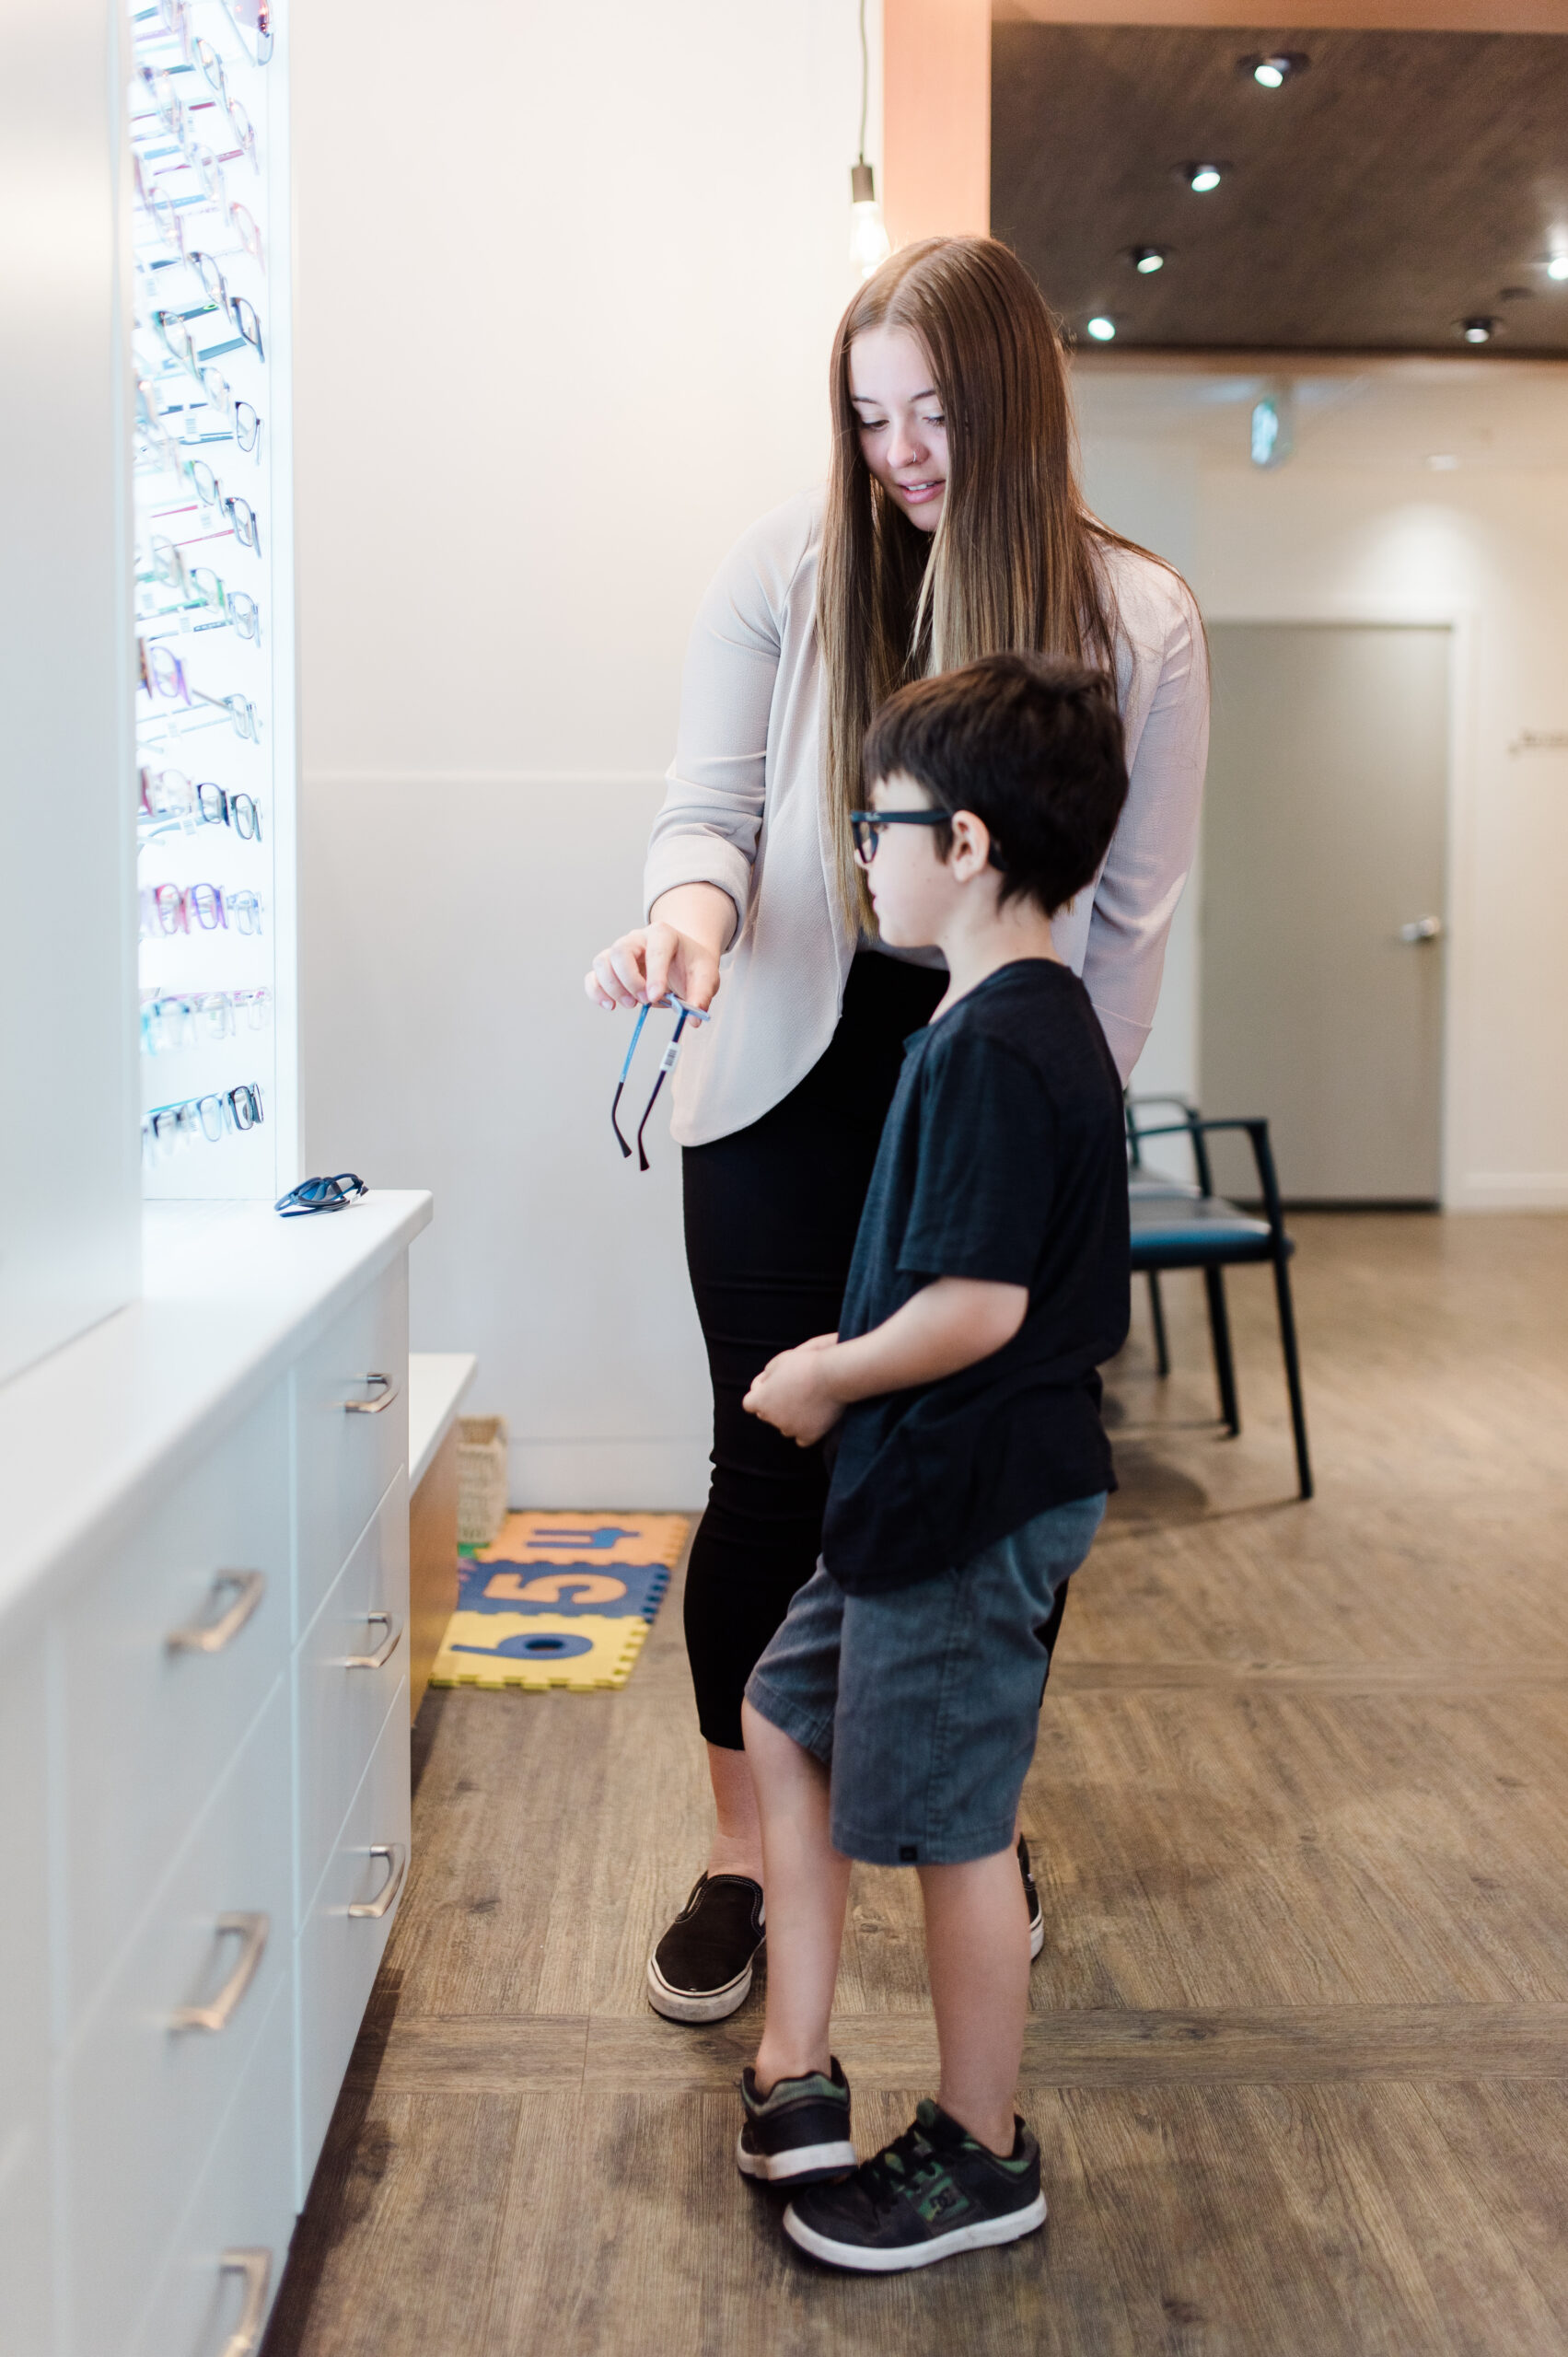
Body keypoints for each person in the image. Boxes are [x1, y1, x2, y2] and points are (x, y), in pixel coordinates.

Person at [584, 236, 1207, 2024]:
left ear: (1015, 396)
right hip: (786, 1063)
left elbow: (1133, 921)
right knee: (771, 1471)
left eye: (934, 411)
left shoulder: (1136, 617)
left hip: (997, 1083)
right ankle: (744, 1856)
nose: (903, 452)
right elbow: (709, 816)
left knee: (975, 1478)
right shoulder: (788, 568)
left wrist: (1063, 1158)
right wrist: (684, 922)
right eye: (870, 419)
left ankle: (966, 1829)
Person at [734, 653, 1130, 2270]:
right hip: (924, 1494)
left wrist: (823, 1376)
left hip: (967, 1499)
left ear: (962, 844)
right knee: (782, 1711)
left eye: (873, 821)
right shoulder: (1004, 1020)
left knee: (962, 1831)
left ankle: (981, 2150)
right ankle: (795, 2064)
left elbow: (976, 1306)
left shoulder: (995, 1044)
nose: (861, 848)